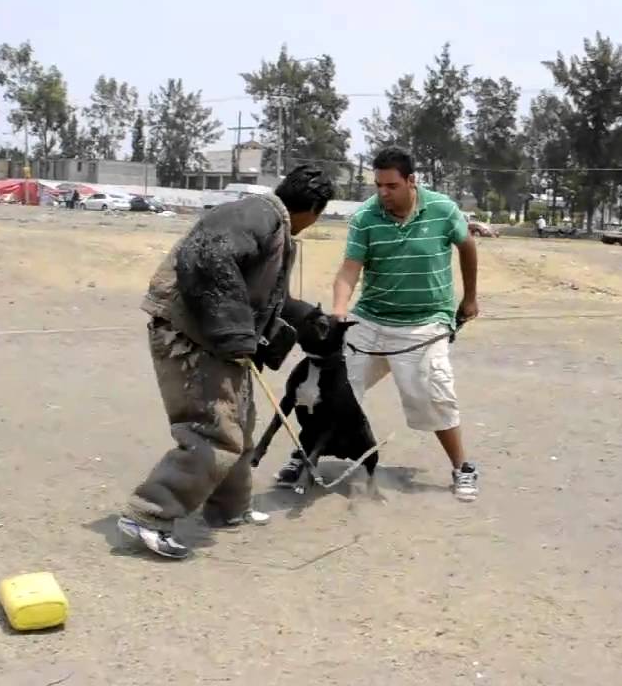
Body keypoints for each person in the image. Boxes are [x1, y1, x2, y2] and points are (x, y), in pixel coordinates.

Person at [117, 165, 336, 559]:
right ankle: (149, 513)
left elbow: (259, 293)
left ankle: (230, 508)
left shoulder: (274, 226)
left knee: (240, 424)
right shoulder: (257, 215)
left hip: (219, 338)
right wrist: (235, 333)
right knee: (215, 431)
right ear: (315, 209)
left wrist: (304, 316)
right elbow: (208, 257)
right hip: (191, 336)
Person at [274, 146, 481, 501]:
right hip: (370, 319)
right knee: (328, 390)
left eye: (391, 185)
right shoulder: (366, 218)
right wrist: (339, 312)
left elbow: (467, 247)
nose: (383, 193)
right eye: (378, 185)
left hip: (425, 322)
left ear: (411, 181)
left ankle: (462, 467)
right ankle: (305, 455)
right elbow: (349, 270)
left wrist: (469, 298)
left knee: (432, 394)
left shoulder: (443, 210)